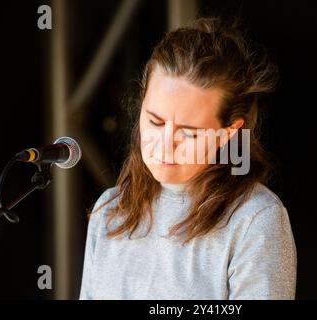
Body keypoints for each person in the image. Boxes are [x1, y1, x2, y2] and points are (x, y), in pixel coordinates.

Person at [79, 17, 297, 300]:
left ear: (228, 134)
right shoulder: (109, 210)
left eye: (189, 132)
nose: (165, 144)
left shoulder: (254, 219)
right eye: (155, 122)